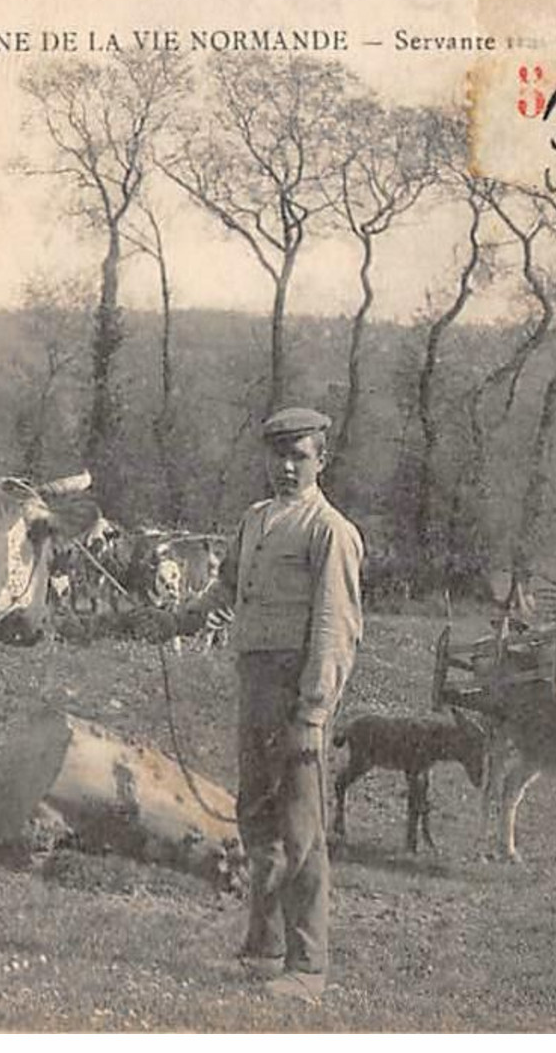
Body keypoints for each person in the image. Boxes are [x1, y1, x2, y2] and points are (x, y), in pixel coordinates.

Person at [136, 407, 363, 1002]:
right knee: (256, 817)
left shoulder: (329, 531)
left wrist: (313, 714)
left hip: (297, 692)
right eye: (277, 456)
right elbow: (226, 589)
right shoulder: (256, 519)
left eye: (301, 456)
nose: (287, 467)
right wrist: (177, 619)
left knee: (301, 831)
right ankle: (264, 950)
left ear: (322, 460)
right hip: (255, 684)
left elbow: (335, 630)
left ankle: (308, 969)